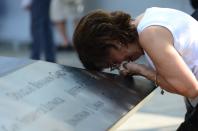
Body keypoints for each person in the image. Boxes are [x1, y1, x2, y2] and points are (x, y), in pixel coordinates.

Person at [73, 7, 198, 130]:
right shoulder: (145, 19)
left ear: (113, 42)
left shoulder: (150, 35)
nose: (119, 65)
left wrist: (142, 70)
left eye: (112, 63)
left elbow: (190, 89)